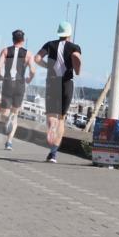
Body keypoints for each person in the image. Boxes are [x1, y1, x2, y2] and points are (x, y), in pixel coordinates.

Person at [33, 21, 82, 163]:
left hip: (52, 82)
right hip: (67, 83)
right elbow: (77, 60)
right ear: (69, 34)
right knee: (61, 117)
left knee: (51, 115)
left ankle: (50, 129)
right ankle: (53, 154)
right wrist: (77, 68)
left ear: (58, 33)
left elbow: (36, 58)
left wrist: (47, 66)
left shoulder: (50, 44)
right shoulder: (74, 47)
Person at [0, 30, 35, 151]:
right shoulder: (28, 54)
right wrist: (29, 78)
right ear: (23, 40)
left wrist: (0, 76)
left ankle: (7, 120)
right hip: (20, 84)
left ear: (12, 39)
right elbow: (33, 71)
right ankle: (9, 142)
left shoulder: (5, 51)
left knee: (3, 114)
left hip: (8, 82)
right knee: (15, 114)